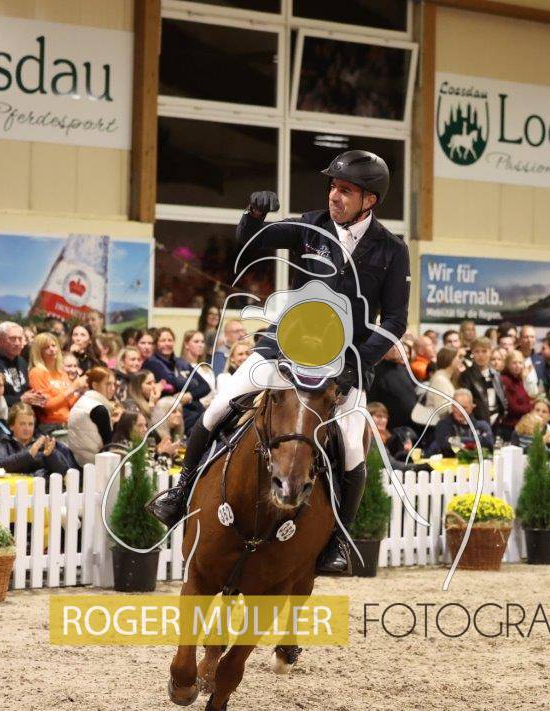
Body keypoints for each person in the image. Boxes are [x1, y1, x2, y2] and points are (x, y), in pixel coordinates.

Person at [150, 150, 410, 576]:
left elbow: (396, 320)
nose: (334, 195)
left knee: (350, 449)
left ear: (370, 200)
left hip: (344, 361)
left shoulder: (392, 250)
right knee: (219, 407)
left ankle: (337, 539)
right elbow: (251, 240)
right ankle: (180, 493)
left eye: (345, 190)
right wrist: (253, 214)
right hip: (285, 346)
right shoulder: (310, 226)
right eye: (332, 187)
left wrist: (357, 363)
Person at [0, 403, 77, 476]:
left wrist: (51, 455)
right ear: (11, 426)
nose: (27, 428)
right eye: (22, 424)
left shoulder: (44, 444)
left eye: (30, 424)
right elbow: (1, 465)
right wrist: (29, 454)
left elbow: (64, 472)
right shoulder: (3, 443)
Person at [28, 332, 87, 430]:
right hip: (51, 426)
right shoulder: (37, 372)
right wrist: (72, 388)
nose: (52, 349)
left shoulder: (61, 373)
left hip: (68, 421)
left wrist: (81, 391)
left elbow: (70, 403)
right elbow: (46, 406)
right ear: (39, 352)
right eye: (46, 347)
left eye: (53, 345)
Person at [0, 321, 46, 410]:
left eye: (20, 339)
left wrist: (34, 396)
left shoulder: (21, 361)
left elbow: (23, 389)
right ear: (0, 340)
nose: (17, 343)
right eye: (12, 339)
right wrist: (19, 400)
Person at [67, 367, 121, 466]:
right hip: (95, 463)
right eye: (108, 384)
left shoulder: (83, 401)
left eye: (114, 384)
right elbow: (109, 445)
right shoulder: (98, 408)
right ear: (95, 385)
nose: (113, 388)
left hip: (79, 460)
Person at [368, 343, 419, 432]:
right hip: (390, 429)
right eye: (391, 346)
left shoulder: (404, 370)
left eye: (397, 345)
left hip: (412, 426)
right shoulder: (376, 372)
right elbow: (372, 403)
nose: (395, 349)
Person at [427, 389, 493, 457]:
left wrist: (454, 440)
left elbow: (489, 444)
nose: (461, 411)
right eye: (457, 407)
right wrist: (477, 440)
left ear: (472, 407)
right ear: (452, 407)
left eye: (464, 408)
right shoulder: (442, 425)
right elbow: (444, 445)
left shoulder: (482, 426)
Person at [458, 338, 507, 427]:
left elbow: (502, 397)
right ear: (472, 353)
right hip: (477, 422)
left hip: (497, 421)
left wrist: (502, 414)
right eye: (477, 351)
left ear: (490, 352)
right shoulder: (466, 375)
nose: (480, 355)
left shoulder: (496, 374)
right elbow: (465, 403)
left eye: (484, 351)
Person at [412, 347, 462, 427]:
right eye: (458, 357)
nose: (460, 360)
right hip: (438, 425)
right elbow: (442, 409)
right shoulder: (440, 379)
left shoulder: (445, 378)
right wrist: (460, 406)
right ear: (449, 359)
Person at [496, 349, 534, 440]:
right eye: (514, 363)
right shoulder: (504, 380)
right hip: (509, 427)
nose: (518, 366)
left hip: (522, 425)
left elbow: (531, 396)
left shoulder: (520, 379)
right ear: (508, 364)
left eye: (520, 363)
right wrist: (530, 407)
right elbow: (512, 407)